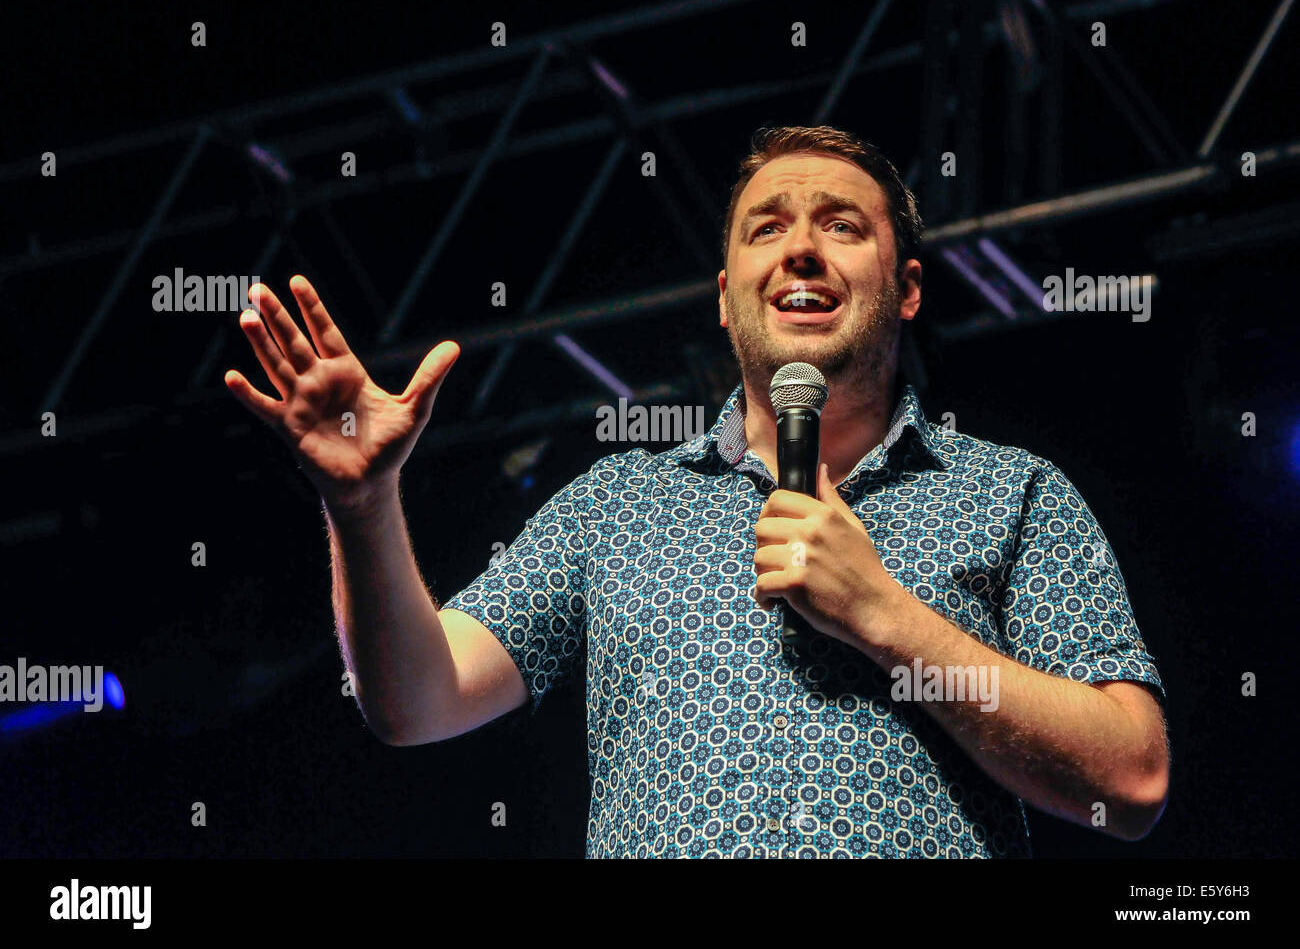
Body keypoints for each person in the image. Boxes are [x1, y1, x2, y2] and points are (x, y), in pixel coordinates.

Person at [224, 125, 1170, 858]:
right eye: (769, 227)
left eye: (843, 224)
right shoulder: (617, 504)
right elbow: (416, 700)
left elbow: (1131, 777)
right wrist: (361, 505)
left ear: (908, 287)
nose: (802, 249)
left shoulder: (1012, 493)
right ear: (726, 296)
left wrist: (885, 615)